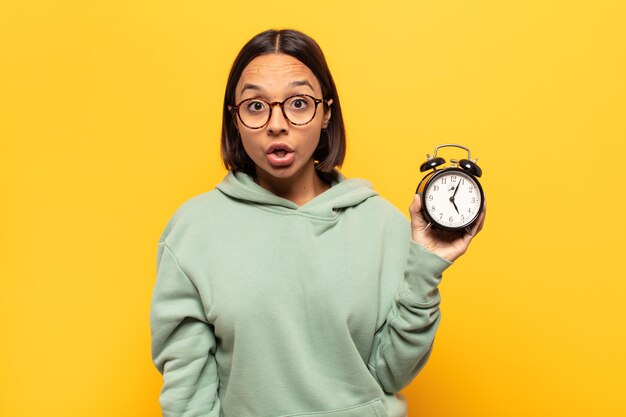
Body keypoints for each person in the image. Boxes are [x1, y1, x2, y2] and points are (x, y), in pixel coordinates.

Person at [149, 29, 485, 417]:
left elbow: (390, 373)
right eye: (255, 106)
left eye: (297, 102)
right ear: (235, 120)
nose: (277, 124)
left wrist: (426, 267)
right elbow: (187, 394)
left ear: (326, 112)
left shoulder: (380, 224)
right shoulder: (194, 230)